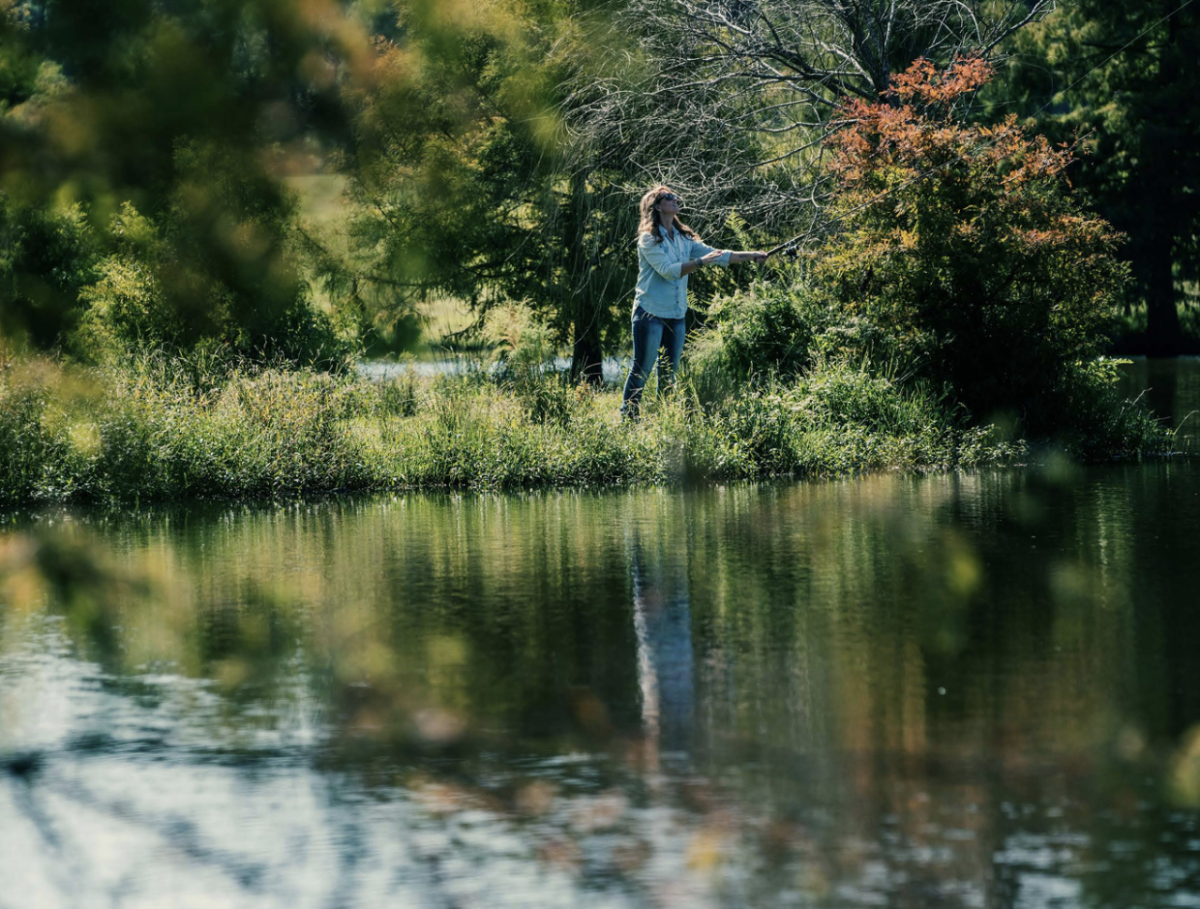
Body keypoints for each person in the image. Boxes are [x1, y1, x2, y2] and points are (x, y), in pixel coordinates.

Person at [620, 185, 767, 419]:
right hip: (649, 313)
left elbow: (718, 255)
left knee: (669, 373)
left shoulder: (684, 238)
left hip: (676, 315)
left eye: (674, 196)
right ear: (657, 206)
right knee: (643, 369)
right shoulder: (648, 240)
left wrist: (752, 255)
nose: (675, 199)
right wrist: (700, 262)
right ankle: (628, 419)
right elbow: (668, 271)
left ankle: (664, 420)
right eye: (668, 197)